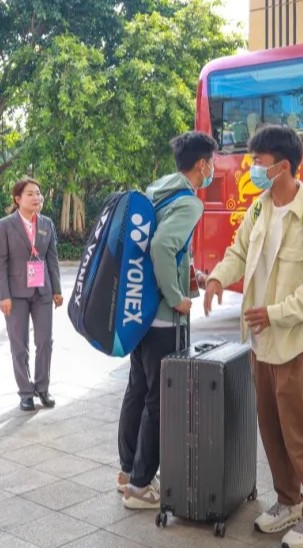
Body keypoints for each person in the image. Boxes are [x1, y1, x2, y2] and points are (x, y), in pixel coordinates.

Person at [205, 125, 303, 548]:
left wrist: (277, 314)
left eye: (259, 161)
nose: (252, 168)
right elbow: (239, 252)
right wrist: (216, 278)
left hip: (297, 343)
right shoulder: (259, 209)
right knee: (272, 428)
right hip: (261, 344)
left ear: (283, 166)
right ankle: (289, 500)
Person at [118, 131, 215, 509]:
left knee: (136, 392)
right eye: (213, 163)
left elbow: (161, 247)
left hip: (138, 311)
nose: (213, 170)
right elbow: (161, 246)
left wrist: (191, 277)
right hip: (162, 318)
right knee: (160, 402)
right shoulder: (190, 202)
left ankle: (127, 472)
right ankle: (141, 487)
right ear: (202, 165)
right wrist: (178, 299)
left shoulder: (159, 187)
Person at [0, 178, 62, 412]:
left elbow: (51, 258)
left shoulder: (46, 224)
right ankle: (25, 392)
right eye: (30, 194)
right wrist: (4, 295)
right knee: (19, 345)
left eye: (39, 194)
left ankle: (42, 388)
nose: (36, 198)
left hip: (42, 291)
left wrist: (57, 290)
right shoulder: (4, 225)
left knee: (45, 341)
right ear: (18, 199)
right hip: (16, 294)